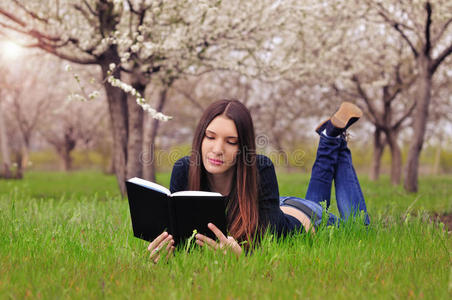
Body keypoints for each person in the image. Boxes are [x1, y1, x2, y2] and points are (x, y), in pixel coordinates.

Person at [147, 100, 370, 261]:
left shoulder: (259, 168)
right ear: (200, 137)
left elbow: (267, 245)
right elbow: (181, 238)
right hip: (272, 205)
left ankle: (333, 139)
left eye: (231, 141)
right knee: (317, 194)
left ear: (243, 147)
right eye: (210, 137)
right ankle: (331, 137)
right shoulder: (184, 170)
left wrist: (241, 257)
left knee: (360, 227)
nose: (217, 149)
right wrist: (167, 253)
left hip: (307, 218)